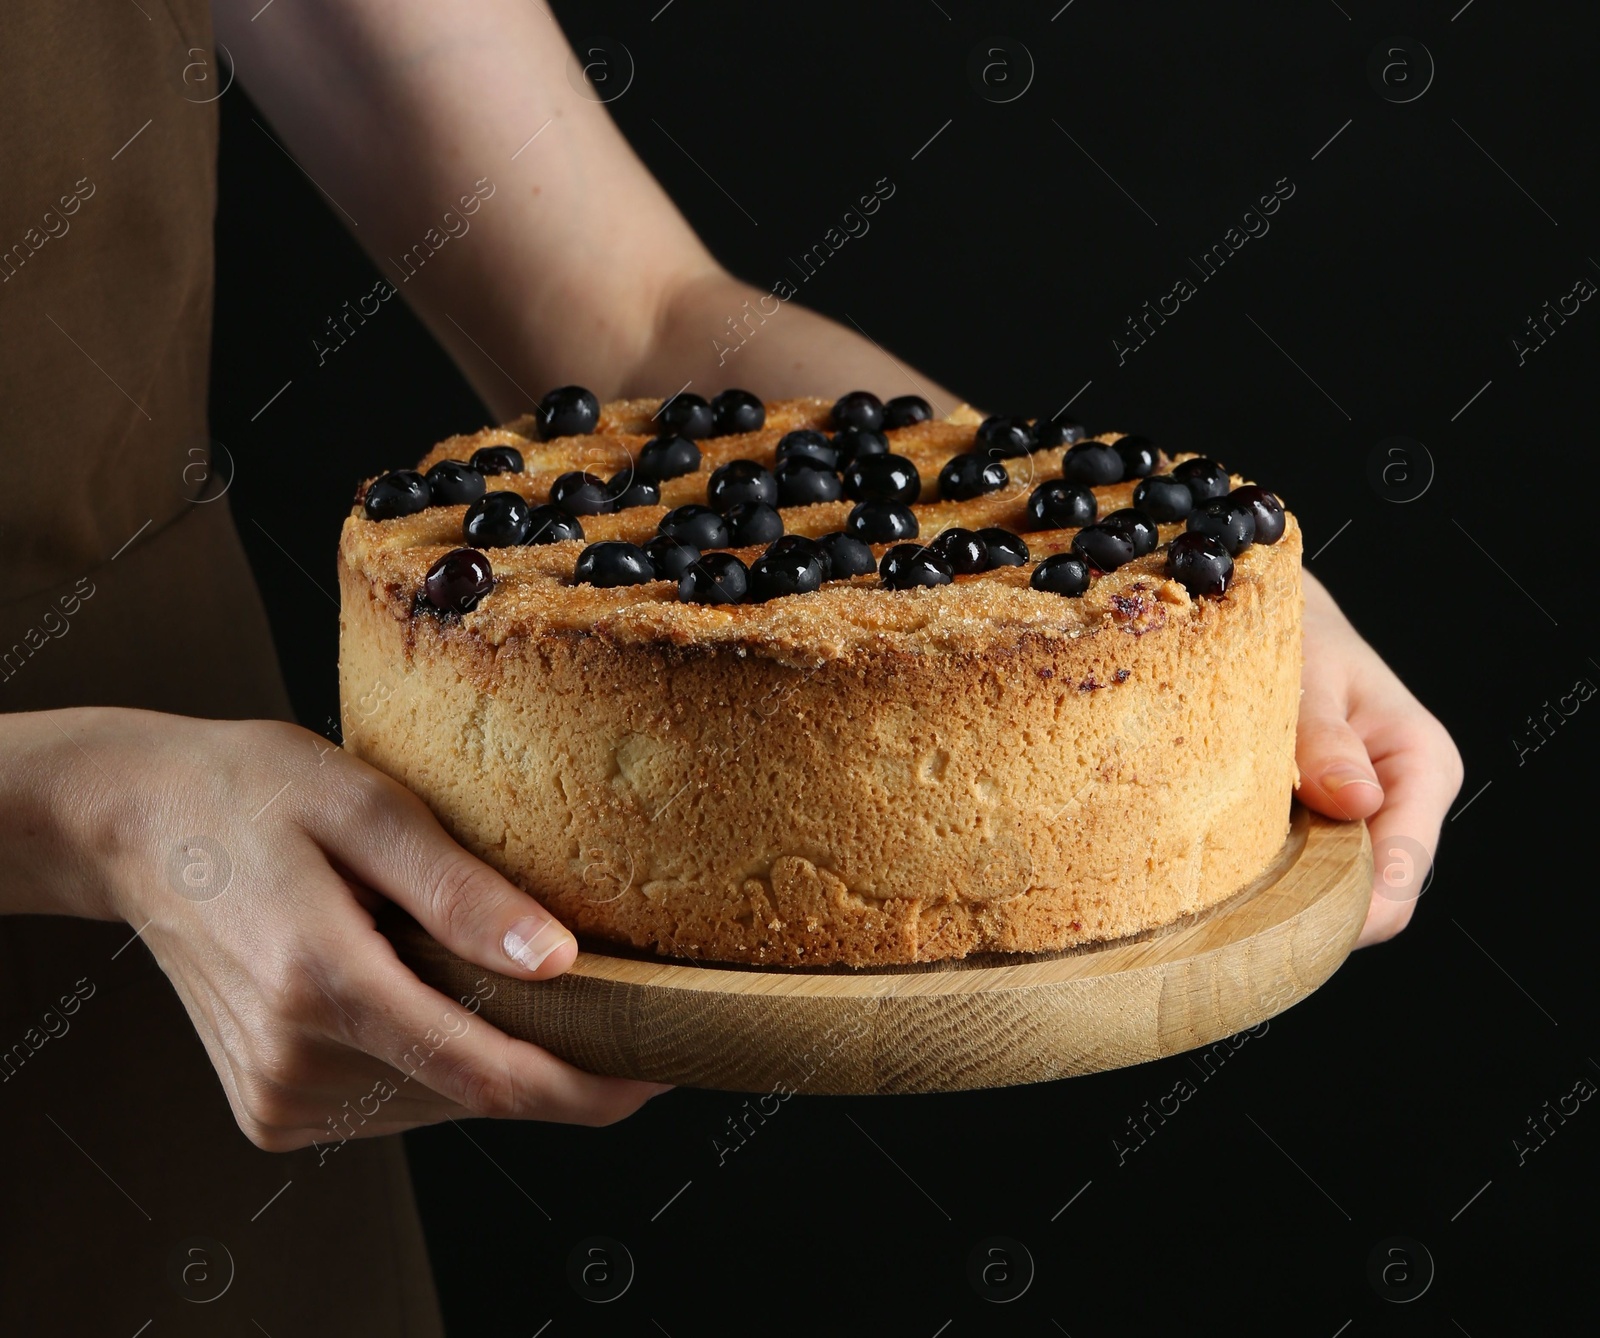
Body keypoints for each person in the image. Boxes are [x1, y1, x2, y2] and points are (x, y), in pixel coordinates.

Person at [0, 1, 1463, 1332]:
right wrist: (98, 810)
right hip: (175, 836)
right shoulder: (128, 814)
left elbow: (632, 320)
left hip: (205, 958)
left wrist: (1114, 560)